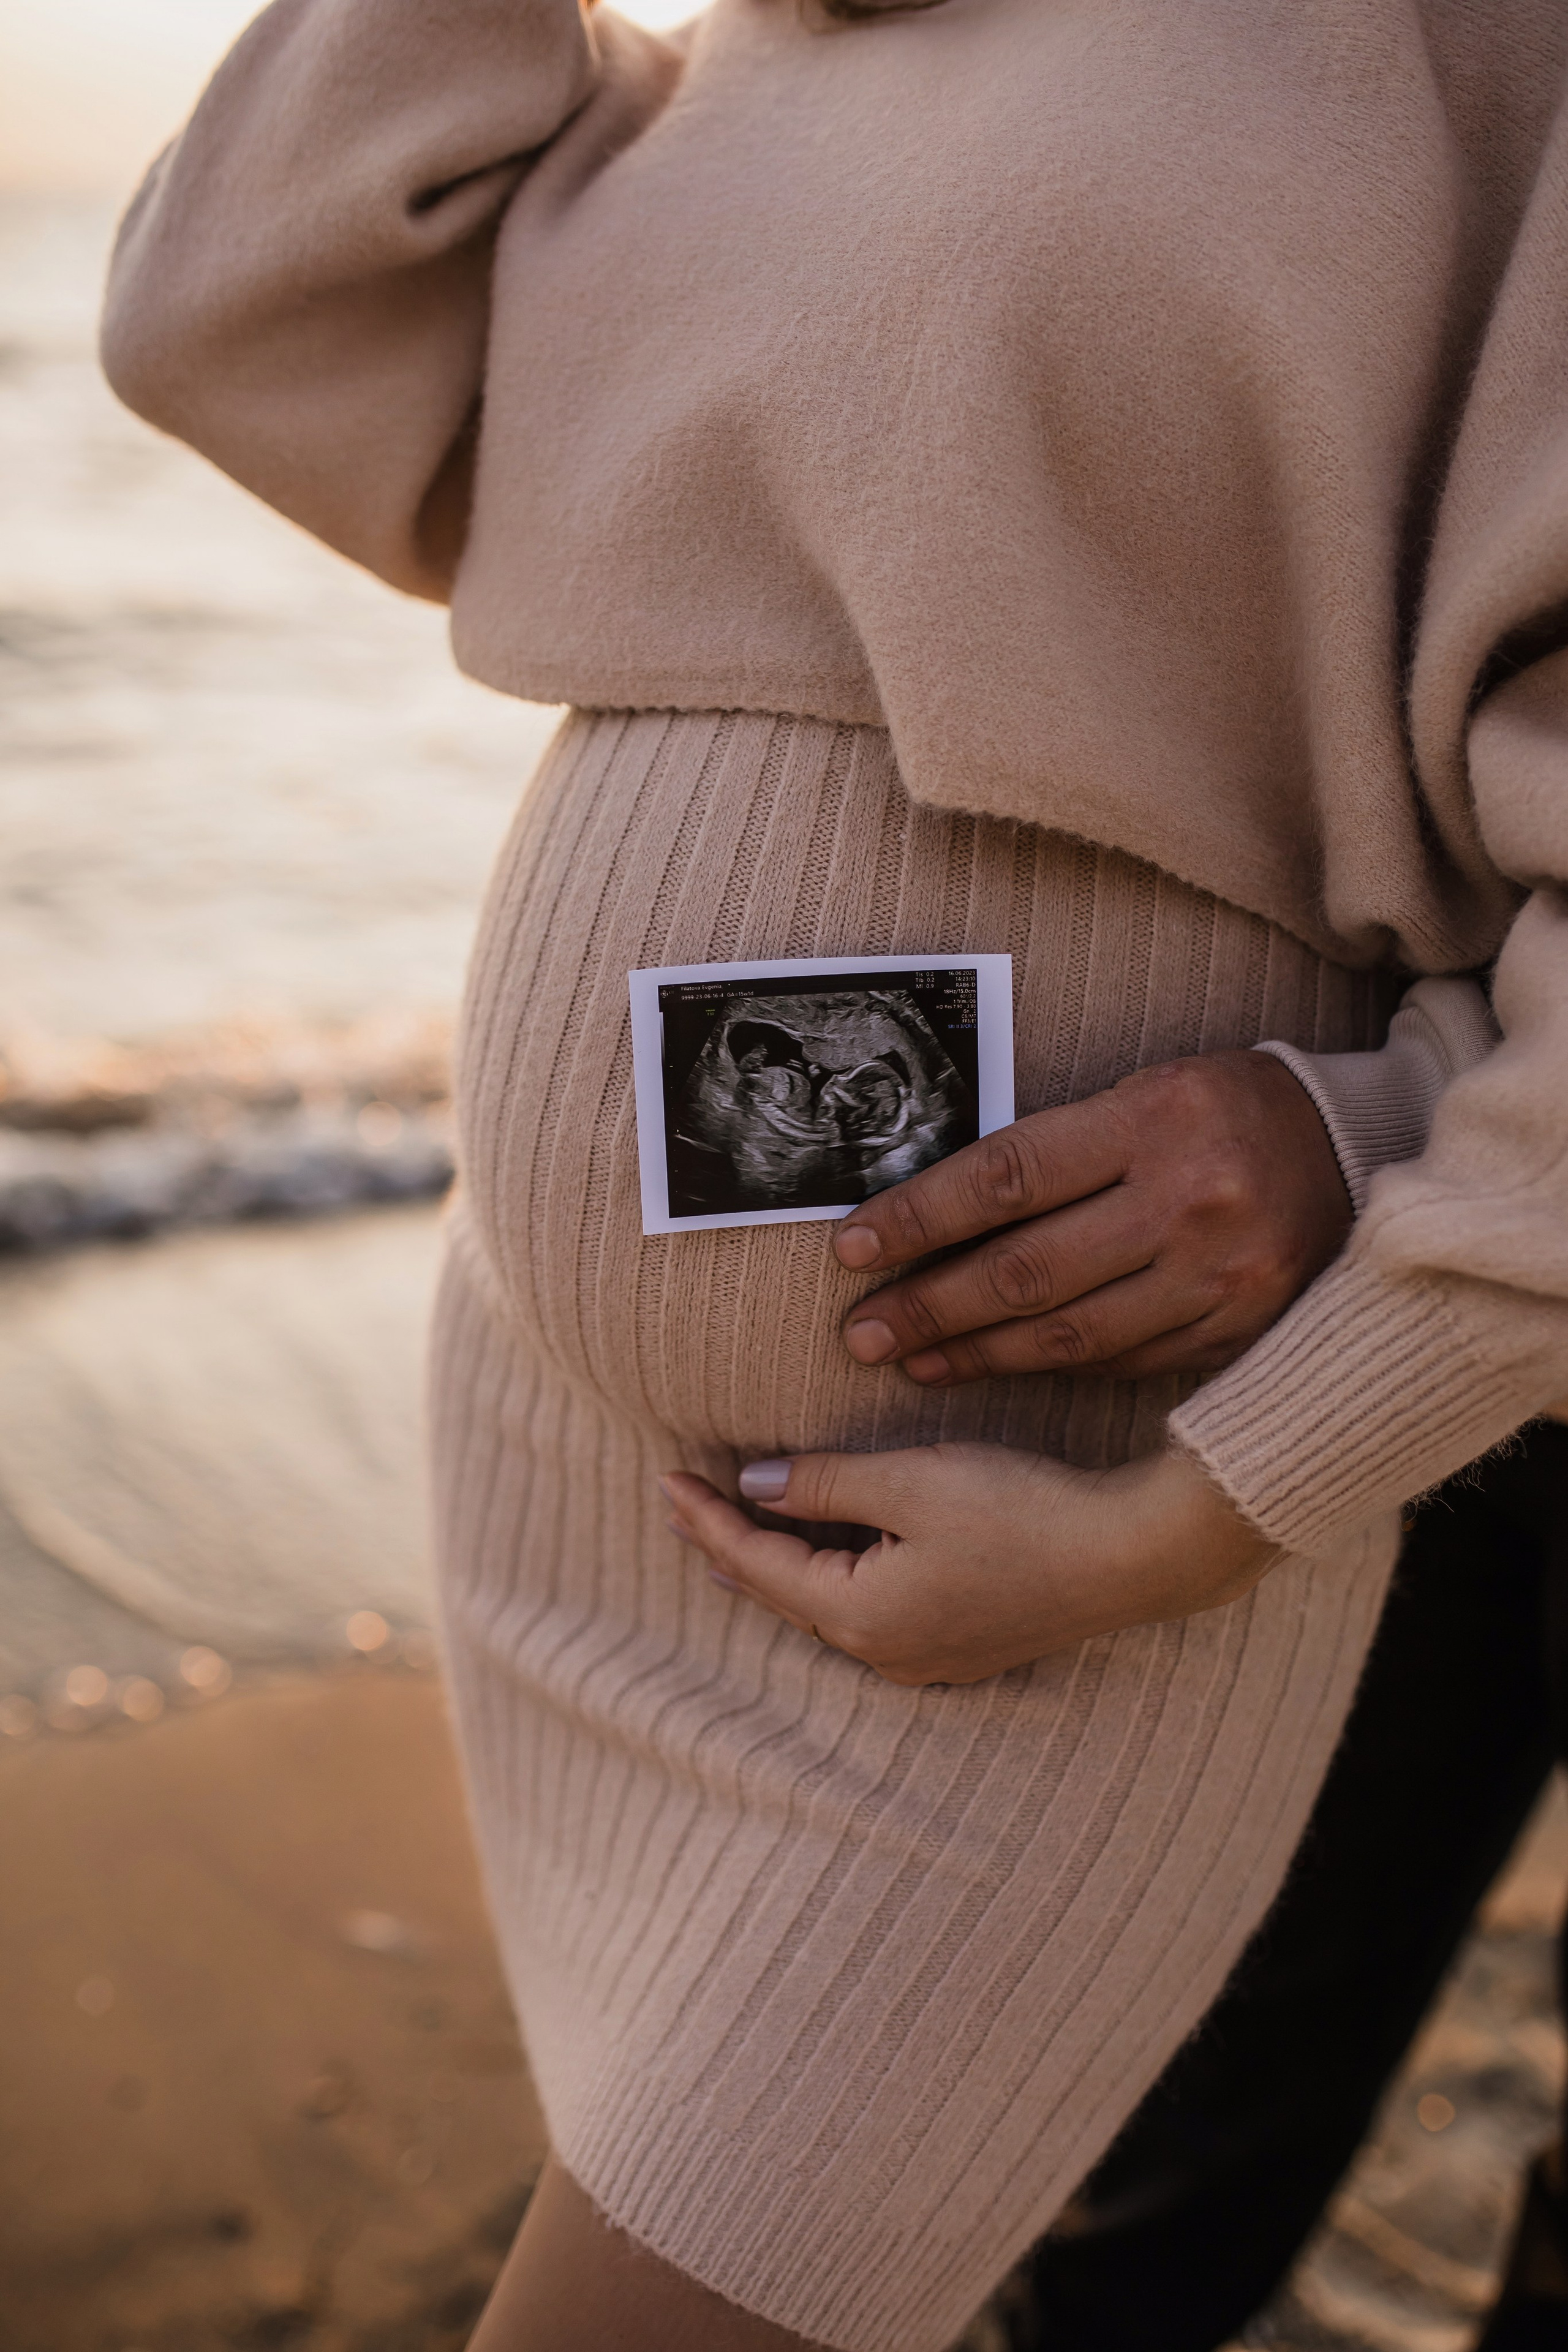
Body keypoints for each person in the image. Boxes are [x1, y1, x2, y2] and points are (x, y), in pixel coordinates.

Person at [99, 3, 1568, 2347]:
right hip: (581, 1493)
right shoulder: (757, 44)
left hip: (1069, 1524)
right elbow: (238, 320)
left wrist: (1274, 1351)